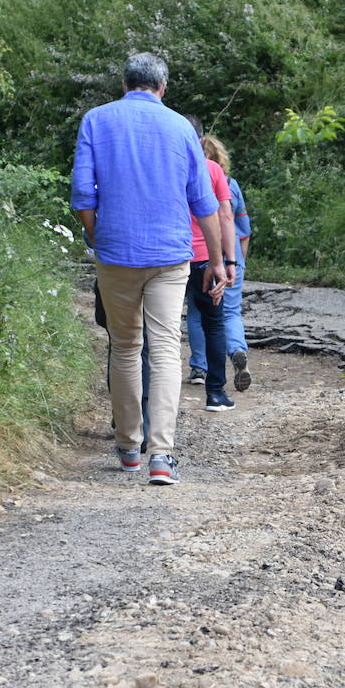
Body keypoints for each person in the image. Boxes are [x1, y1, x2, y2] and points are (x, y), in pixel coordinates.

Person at [71, 53, 229, 487]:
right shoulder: (181, 127)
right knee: (163, 349)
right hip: (170, 256)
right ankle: (161, 456)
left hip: (116, 252)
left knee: (124, 347)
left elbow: (83, 194)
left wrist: (96, 236)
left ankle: (127, 447)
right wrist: (216, 262)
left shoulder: (95, 121)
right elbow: (204, 203)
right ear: (162, 88)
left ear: (124, 84)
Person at [187, 135, 252, 392]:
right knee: (231, 311)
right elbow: (243, 229)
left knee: (196, 311)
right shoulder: (230, 183)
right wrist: (237, 260)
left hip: (199, 252)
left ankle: (199, 367)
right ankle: (236, 350)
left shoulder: (186, 177)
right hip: (230, 254)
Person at [182, 127, 238, 412]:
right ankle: (215, 393)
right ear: (201, 140)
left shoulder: (168, 166)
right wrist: (229, 261)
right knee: (213, 321)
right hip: (206, 257)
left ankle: (148, 399)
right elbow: (225, 216)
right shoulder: (213, 169)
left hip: (170, 257)